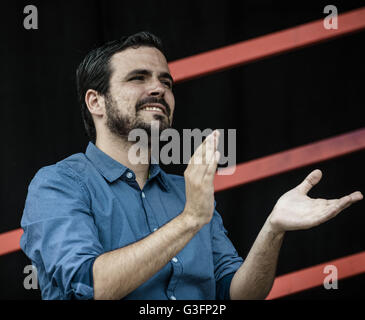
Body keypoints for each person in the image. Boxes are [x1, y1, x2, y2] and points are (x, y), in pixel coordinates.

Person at [20, 31, 363, 300]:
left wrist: (273, 229)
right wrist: (189, 220)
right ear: (96, 101)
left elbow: (235, 292)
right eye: (138, 78)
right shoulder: (57, 185)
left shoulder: (187, 190)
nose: (159, 88)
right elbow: (91, 286)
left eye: (166, 82)